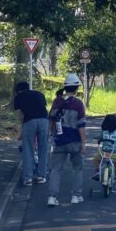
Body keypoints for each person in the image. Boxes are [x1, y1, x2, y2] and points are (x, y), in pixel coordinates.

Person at [47, 73, 87, 207]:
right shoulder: (78, 104)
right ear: (76, 88)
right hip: (75, 141)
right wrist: (84, 143)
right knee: (77, 169)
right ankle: (76, 195)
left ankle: (52, 197)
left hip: (59, 141)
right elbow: (81, 125)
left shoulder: (57, 101)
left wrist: (52, 136)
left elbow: (51, 121)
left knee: (56, 169)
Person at [12, 81, 49, 186]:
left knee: (28, 149)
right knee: (43, 148)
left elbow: (20, 115)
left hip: (29, 121)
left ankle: (28, 178)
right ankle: (41, 176)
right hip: (44, 121)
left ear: (18, 91)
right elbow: (44, 108)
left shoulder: (18, 97)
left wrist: (23, 128)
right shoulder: (39, 94)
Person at [92, 114, 116, 181]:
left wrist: (96, 137)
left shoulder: (104, 131)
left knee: (95, 159)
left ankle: (97, 171)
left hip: (104, 153)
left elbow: (100, 137)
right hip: (113, 153)